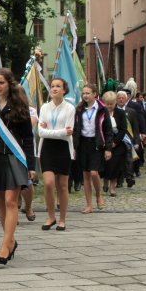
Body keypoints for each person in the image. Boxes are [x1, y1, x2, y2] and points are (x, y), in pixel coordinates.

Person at [0, 68, 35, 264]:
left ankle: (4, 245)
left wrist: (32, 165)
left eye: (1, 82)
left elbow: (28, 137)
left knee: (11, 201)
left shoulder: (19, 105)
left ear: (9, 84)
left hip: (14, 157)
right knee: (1, 201)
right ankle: (10, 240)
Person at [37, 78, 75, 231]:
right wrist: (60, 131)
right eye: (52, 86)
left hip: (63, 148)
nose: (54, 89)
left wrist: (50, 131)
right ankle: (51, 216)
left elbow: (68, 133)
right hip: (47, 148)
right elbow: (40, 132)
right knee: (48, 183)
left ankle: (62, 219)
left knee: (63, 186)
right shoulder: (45, 108)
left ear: (64, 90)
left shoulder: (70, 108)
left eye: (58, 86)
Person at [73, 84, 113, 213]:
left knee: (94, 173)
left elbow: (108, 130)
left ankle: (98, 195)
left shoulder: (102, 109)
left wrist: (108, 148)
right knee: (85, 175)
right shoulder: (79, 109)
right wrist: (74, 146)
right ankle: (89, 205)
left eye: (88, 93)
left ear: (95, 94)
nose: (85, 95)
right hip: (83, 143)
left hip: (96, 144)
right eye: (83, 93)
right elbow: (75, 129)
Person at [101, 91, 128, 197]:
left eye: (111, 104)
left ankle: (113, 187)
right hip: (104, 143)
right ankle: (105, 181)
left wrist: (115, 142)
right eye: (107, 104)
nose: (109, 106)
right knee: (106, 165)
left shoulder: (120, 113)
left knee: (115, 166)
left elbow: (123, 129)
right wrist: (106, 143)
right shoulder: (101, 113)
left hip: (117, 144)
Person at [116, 91, 140, 188]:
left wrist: (137, 141)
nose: (121, 99)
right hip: (117, 140)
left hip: (128, 140)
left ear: (126, 99)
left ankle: (129, 178)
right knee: (118, 161)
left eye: (123, 98)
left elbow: (135, 128)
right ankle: (119, 180)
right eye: (119, 98)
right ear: (116, 99)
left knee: (129, 159)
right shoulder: (113, 111)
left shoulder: (131, 111)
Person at [19, 103, 38, 221]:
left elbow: (30, 124)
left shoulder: (30, 110)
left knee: (27, 180)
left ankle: (29, 206)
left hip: (26, 149)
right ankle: (14, 207)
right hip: (9, 150)